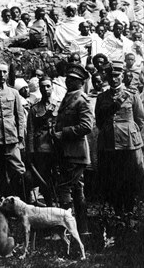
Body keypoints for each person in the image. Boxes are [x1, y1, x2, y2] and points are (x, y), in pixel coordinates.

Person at [95, 61, 144, 214]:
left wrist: (130, 133)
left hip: (128, 143)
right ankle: (117, 212)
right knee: (112, 177)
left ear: (122, 76)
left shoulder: (131, 94)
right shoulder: (102, 97)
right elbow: (99, 121)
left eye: (116, 75)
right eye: (110, 76)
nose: (113, 79)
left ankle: (129, 210)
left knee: (129, 177)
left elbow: (140, 119)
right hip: (109, 143)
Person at [52, 63, 93, 235]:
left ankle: (65, 230)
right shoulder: (69, 97)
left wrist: (63, 134)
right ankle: (81, 230)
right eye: (68, 79)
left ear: (81, 83)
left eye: (73, 80)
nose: (69, 81)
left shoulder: (80, 99)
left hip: (75, 152)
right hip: (67, 151)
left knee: (65, 188)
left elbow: (86, 126)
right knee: (76, 189)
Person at [0, 62, 26, 198]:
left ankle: (20, 199)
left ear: (7, 74)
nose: (1, 75)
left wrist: (20, 135)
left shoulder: (14, 93)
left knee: (19, 170)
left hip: (12, 137)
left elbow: (20, 115)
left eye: (4, 72)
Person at [27, 76, 58, 206]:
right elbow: (30, 131)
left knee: (57, 175)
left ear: (52, 87)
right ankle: (49, 203)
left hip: (57, 146)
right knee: (43, 176)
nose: (45, 89)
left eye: (48, 86)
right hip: (41, 147)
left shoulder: (59, 105)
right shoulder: (35, 109)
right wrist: (31, 150)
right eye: (42, 87)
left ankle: (61, 203)